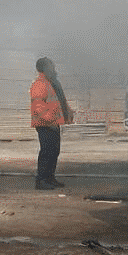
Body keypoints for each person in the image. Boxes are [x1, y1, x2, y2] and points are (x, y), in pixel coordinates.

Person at [30, 57, 73, 190]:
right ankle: (41, 180)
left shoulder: (51, 83)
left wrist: (67, 112)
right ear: (43, 68)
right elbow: (38, 106)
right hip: (45, 124)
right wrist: (49, 120)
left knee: (54, 151)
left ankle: (50, 178)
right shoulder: (40, 84)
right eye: (51, 66)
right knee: (46, 152)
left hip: (53, 123)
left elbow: (58, 101)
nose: (53, 68)